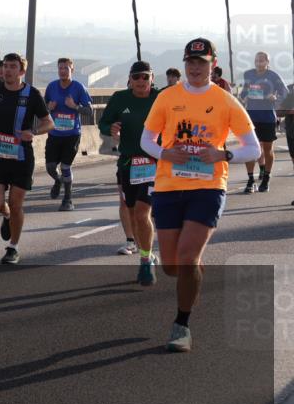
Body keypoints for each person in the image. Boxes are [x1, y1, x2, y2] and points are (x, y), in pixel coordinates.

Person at [140, 38, 260, 352]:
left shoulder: (225, 101)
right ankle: (192, 274)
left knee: (187, 256)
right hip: (168, 187)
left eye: (202, 63)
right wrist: (166, 154)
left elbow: (253, 148)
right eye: (191, 62)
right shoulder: (167, 97)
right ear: (185, 64)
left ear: (212, 64)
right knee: (171, 266)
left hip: (208, 188)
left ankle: (181, 325)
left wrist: (223, 155)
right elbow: (146, 139)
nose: (195, 68)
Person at [0, 52, 54, 264]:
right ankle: (6, 215)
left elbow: (49, 122)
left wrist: (35, 132)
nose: (7, 70)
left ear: (21, 71)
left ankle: (13, 247)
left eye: (12, 66)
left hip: (21, 157)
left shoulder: (32, 94)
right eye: (6, 66)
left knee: (16, 203)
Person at [99, 61, 160, 284]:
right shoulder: (119, 98)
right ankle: (148, 253)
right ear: (130, 79)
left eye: (145, 77)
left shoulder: (161, 98)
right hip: (128, 164)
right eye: (136, 77)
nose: (141, 81)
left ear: (152, 77)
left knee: (143, 212)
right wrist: (111, 128)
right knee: (133, 212)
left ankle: (145, 261)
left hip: (155, 163)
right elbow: (103, 123)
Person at [43, 57, 93, 211]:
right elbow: (42, 109)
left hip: (72, 135)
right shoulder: (51, 87)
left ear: (72, 70)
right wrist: (49, 108)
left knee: (65, 166)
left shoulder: (79, 87)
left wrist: (75, 106)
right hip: (54, 134)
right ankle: (58, 181)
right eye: (60, 68)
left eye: (66, 68)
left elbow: (89, 111)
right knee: (50, 167)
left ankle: (68, 199)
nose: (63, 71)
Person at [238, 52, 289, 193]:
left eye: (261, 60)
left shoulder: (273, 76)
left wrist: (275, 99)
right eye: (256, 60)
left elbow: (284, 93)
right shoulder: (248, 74)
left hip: (267, 117)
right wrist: (242, 97)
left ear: (267, 61)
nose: (258, 63)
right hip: (251, 117)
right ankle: (250, 180)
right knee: (249, 148)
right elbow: (244, 92)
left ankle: (266, 179)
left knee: (267, 149)